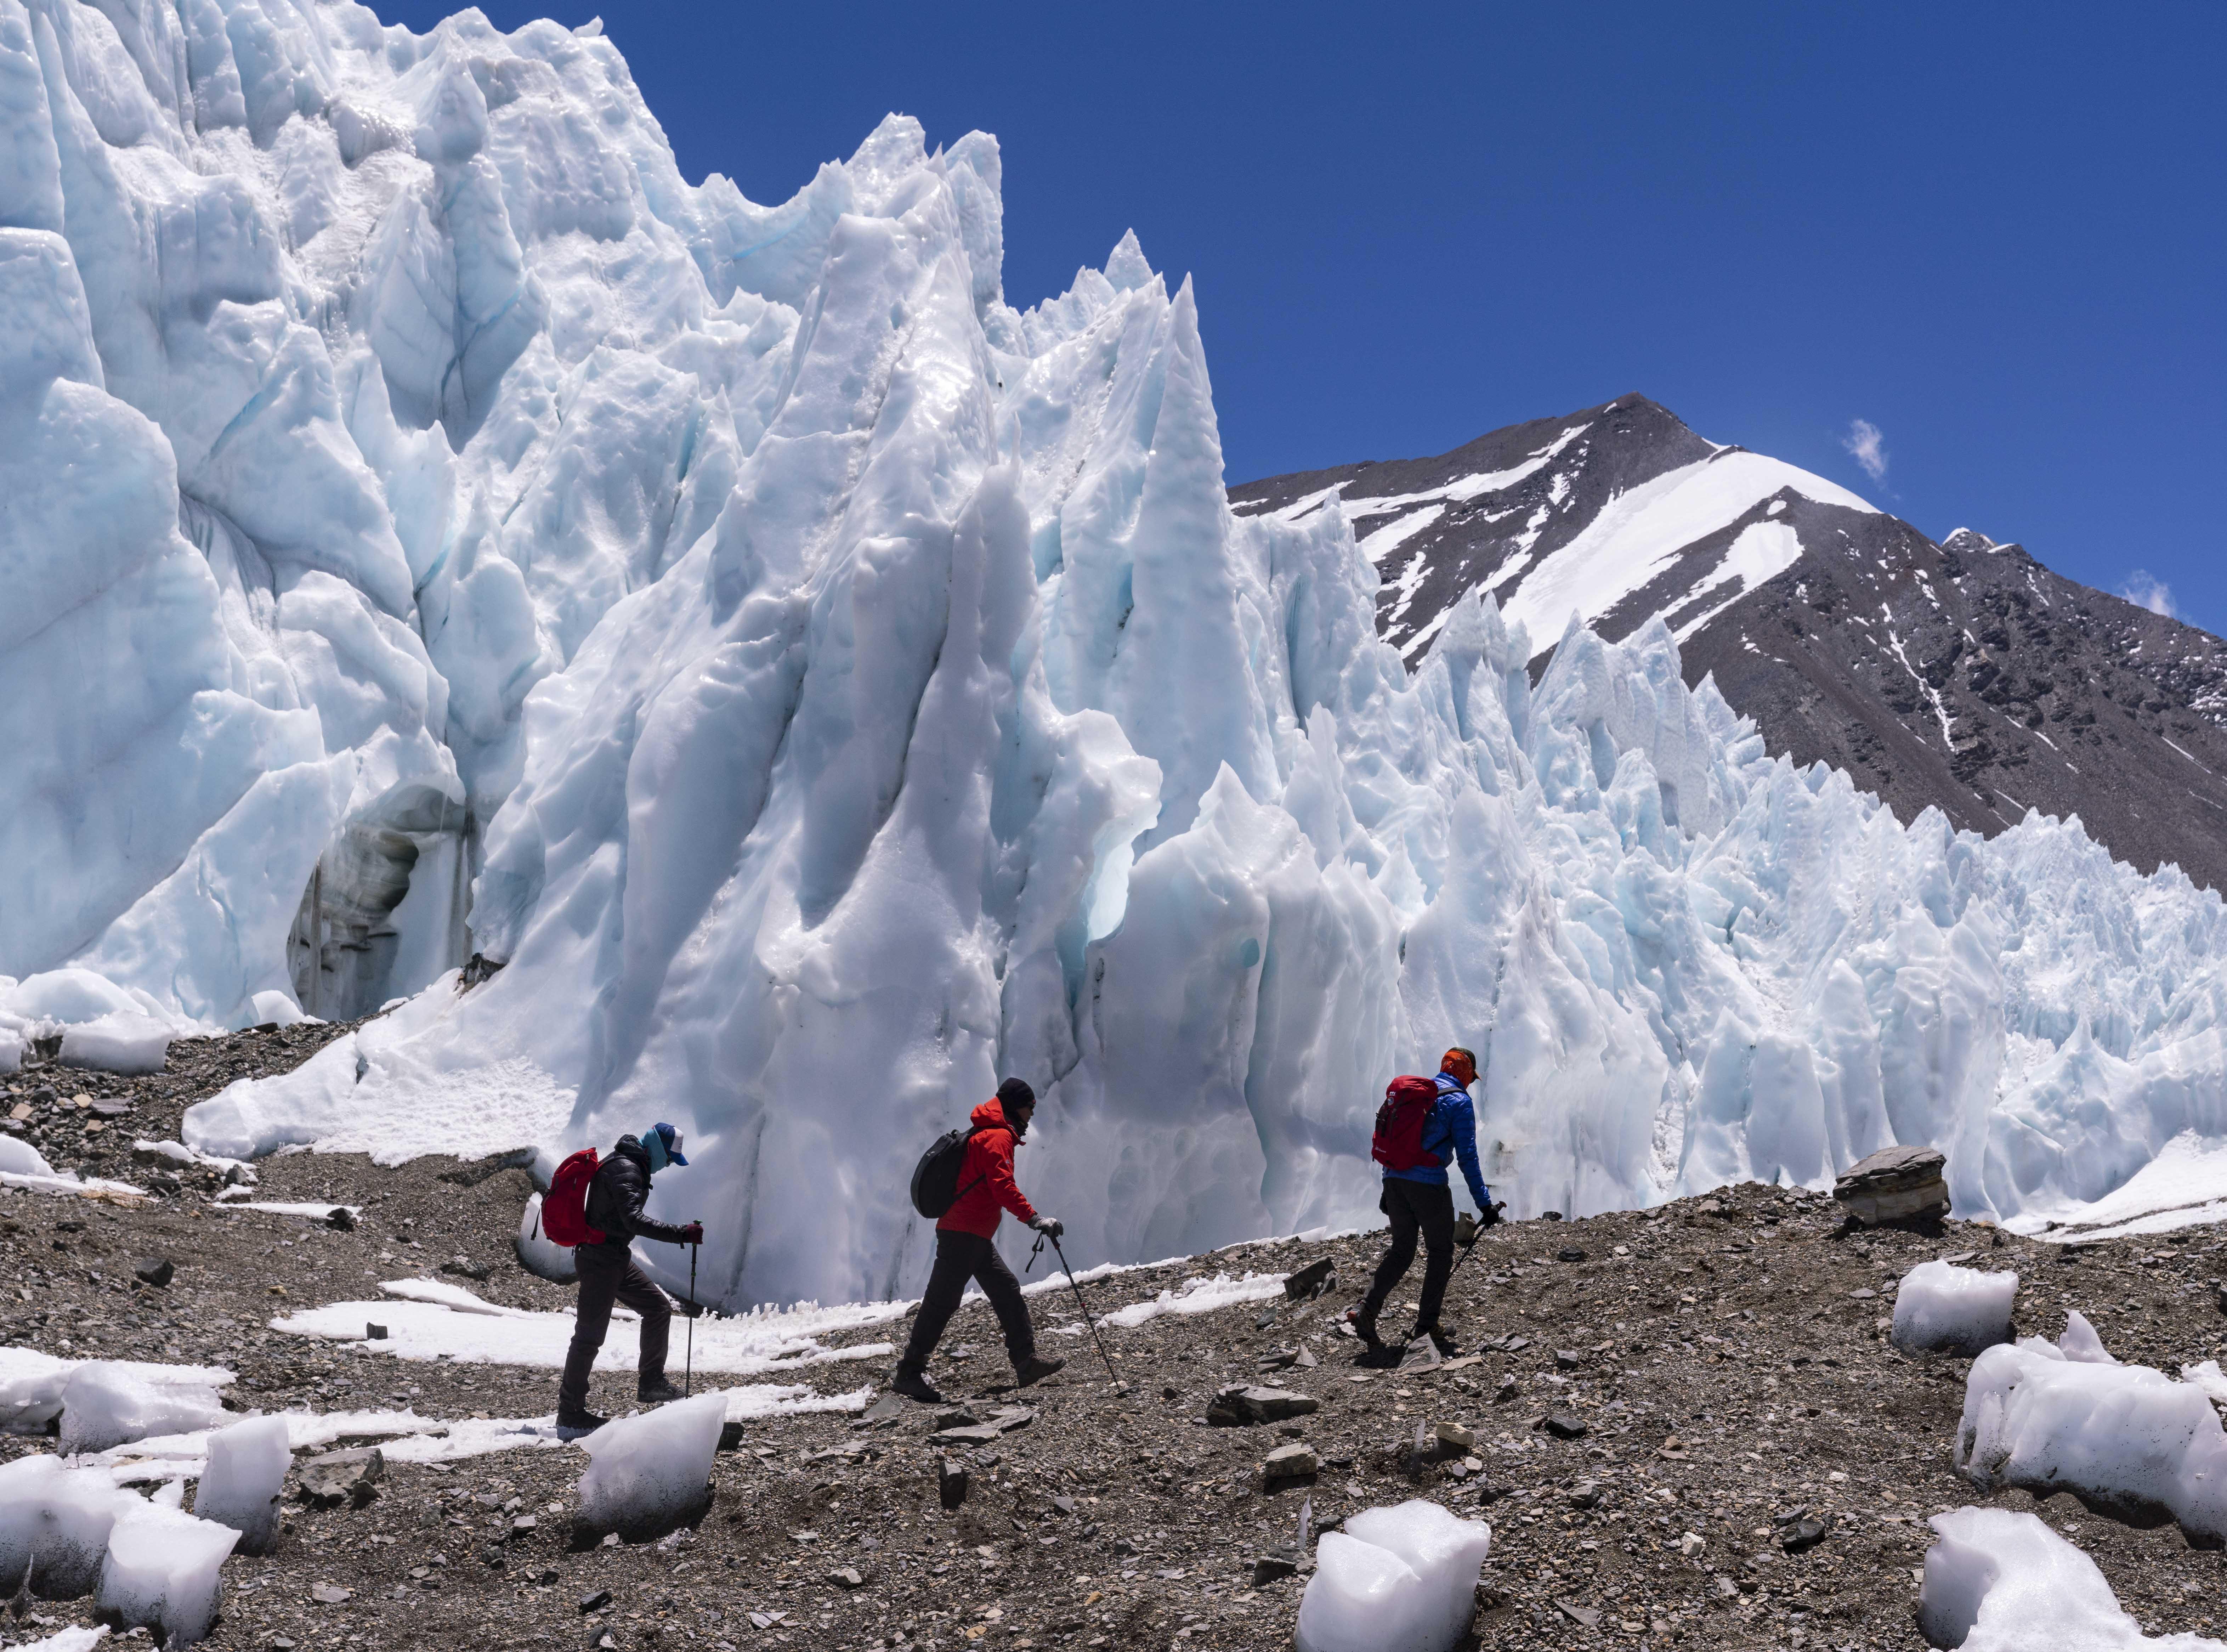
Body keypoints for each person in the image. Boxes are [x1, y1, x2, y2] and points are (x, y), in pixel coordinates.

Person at [891, 1078, 1067, 1403]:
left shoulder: (989, 1133)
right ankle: (909, 1373)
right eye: (1030, 1107)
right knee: (941, 1303)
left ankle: (1025, 1363)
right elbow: (1002, 1185)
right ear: (1017, 1106)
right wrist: (1035, 1218)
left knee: (1006, 1288)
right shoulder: (998, 1137)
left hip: (971, 1234)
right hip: (964, 1234)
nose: (1031, 1114)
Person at [556, 1122, 704, 1438]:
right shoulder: (627, 1169)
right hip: (600, 1261)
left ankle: (651, 1384)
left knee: (657, 1308)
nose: (667, 1167)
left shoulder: (629, 1164)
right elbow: (633, 1219)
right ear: (659, 1151)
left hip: (613, 1258)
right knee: (588, 1338)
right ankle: (570, 1414)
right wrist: (681, 1234)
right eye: (669, 1159)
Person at [1354, 1048, 1497, 1362]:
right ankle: (1426, 1327)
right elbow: (1467, 1157)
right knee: (1440, 1252)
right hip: (1428, 1186)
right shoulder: (1458, 1102)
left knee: (1402, 1251)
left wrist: (1388, 1186)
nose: (1470, 1084)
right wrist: (1484, 1204)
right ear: (1465, 1073)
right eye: (1471, 1078)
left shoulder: (1416, 1096)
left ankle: (1367, 1311)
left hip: (1394, 1181)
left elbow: (1392, 1140)